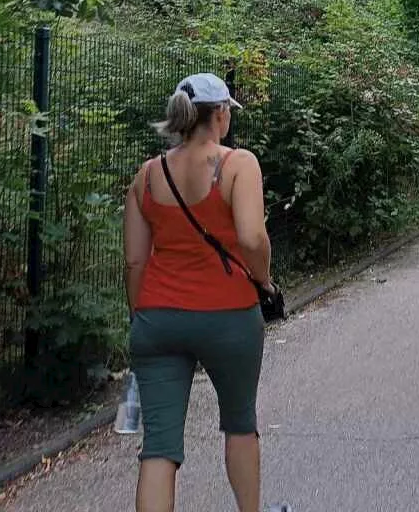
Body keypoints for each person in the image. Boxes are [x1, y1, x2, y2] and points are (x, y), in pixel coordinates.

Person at [123, 73, 282, 512]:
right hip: (228, 314)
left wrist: (142, 317)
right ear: (221, 113)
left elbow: (135, 261)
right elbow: (251, 238)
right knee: (239, 423)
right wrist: (264, 282)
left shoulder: (148, 175)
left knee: (158, 446)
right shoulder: (238, 164)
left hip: (157, 316)